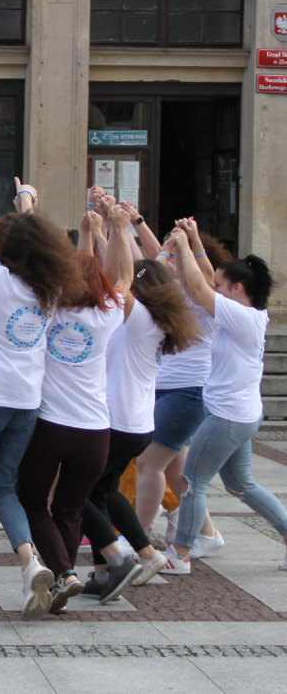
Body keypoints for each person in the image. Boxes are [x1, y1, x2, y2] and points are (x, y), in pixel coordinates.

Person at [0, 138, 84, 619]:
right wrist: (28, 202)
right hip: (27, 402)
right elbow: (36, 240)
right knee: (4, 488)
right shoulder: (52, 287)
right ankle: (30, 563)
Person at [78, 220, 202, 602]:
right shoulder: (153, 322)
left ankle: (133, 557)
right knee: (103, 492)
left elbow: (120, 278)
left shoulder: (142, 320)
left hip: (118, 423)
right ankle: (108, 571)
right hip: (135, 424)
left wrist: (116, 229)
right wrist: (106, 233)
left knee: (76, 493)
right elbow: (123, 274)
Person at [16, 204, 128, 614]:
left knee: (31, 500)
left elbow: (48, 261)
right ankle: (63, 581)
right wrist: (115, 230)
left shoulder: (49, 307)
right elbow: (125, 276)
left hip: (50, 427)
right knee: (70, 508)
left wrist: (28, 210)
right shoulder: (109, 314)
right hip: (95, 431)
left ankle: (63, 573)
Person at [159, 227, 287, 574]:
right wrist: (194, 240)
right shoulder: (247, 312)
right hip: (241, 414)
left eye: (221, 285)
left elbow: (199, 289)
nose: (213, 287)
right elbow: (204, 279)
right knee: (241, 485)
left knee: (192, 481)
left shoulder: (240, 316)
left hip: (228, 417)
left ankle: (180, 554)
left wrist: (183, 245)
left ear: (238, 288)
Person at [131, 208, 230, 553]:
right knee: (176, 471)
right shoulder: (173, 287)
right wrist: (137, 223)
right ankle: (208, 534)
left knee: (148, 463)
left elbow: (203, 273)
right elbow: (151, 262)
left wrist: (191, 242)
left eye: (177, 256)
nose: (171, 260)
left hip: (188, 391)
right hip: (167, 387)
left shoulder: (207, 296)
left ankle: (137, 540)